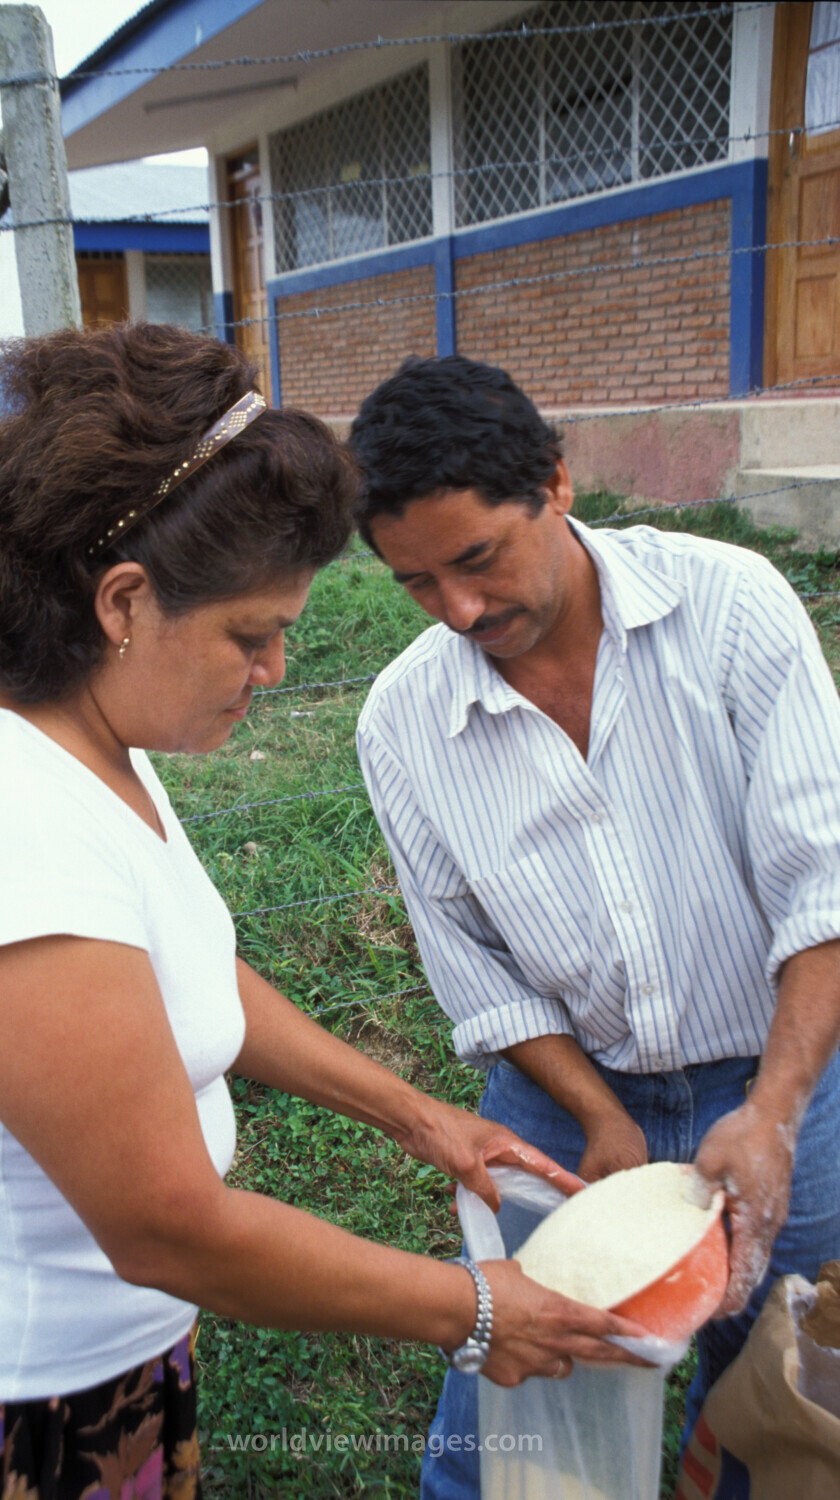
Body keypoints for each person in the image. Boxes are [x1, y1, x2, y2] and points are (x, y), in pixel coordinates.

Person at [0, 325, 645, 1500]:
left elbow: (179, 971)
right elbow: (167, 1227)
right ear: (123, 600)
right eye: (251, 634)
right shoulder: (3, 836)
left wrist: (417, 1116)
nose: (272, 671)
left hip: (96, 1346)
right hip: (3, 1404)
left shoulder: (69, 720)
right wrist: (473, 1309)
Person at [349, 353, 840, 1500]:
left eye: (476, 559)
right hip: (562, 1090)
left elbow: (821, 886)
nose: (459, 611)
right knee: (506, 1409)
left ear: (556, 483)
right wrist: (596, 1116)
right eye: (416, 585)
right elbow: (476, 972)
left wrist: (767, 1114)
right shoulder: (401, 722)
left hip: (781, 1073)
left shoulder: (729, 610)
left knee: (779, 1401)